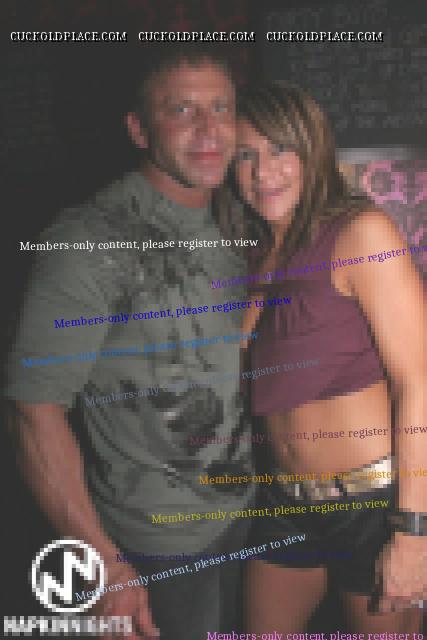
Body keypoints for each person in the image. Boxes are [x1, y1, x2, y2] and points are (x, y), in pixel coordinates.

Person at [3, 46, 256, 639]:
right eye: (181, 109)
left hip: (243, 513)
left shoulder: (238, 215)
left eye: (221, 107)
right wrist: (104, 563)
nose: (208, 127)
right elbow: (33, 410)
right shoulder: (91, 240)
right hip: (154, 545)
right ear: (139, 130)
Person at [229, 83, 426, 634]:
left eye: (280, 149)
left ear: (312, 150)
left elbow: (419, 381)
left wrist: (414, 530)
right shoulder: (255, 253)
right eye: (245, 155)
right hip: (284, 500)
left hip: (373, 505)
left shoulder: (361, 233)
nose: (262, 172)